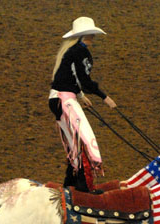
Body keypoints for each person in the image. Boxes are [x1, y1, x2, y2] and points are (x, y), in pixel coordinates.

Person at [48, 17, 117, 192]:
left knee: (74, 143)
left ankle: (71, 183)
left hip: (59, 99)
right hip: (65, 100)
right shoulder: (81, 52)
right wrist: (105, 97)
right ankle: (83, 186)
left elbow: (70, 76)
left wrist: (80, 95)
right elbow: (84, 80)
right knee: (84, 140)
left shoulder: (71, 51)